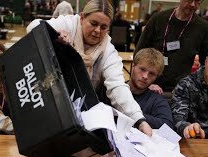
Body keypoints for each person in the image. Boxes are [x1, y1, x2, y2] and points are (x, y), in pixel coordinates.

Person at [27, 0, 153, 136]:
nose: (97, 31)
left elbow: (117, 87)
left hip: (76, 109)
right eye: (93, 24)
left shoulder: (108, 51)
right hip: (44, 94)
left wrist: (139, 120)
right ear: (81, 17)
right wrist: (53, 33)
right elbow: (32, 27)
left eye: (104, 27)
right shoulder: (69, 24)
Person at [135, 0, 208, 97]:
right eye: (190, 0)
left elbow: (207, 63)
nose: (193, 4)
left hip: (179, 92)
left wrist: (194, 87)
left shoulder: (204, 28)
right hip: (148, 86)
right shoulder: (158, 19)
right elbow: (139, 53)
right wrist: (146, 83)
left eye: (197, 1)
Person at [128, 48, 173, 129]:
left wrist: (134, 116)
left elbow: (167, 126)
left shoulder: (157, 100)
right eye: (142, 69)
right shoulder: (113, 90)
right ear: (133, 66)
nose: (145, 76)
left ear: (156, 77)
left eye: (152, 74)